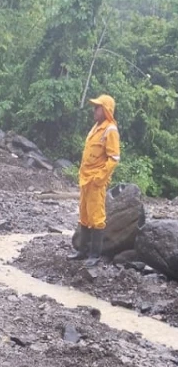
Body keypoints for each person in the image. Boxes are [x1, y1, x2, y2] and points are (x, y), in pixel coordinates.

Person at [68, 94, 121, 267]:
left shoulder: (110, 129)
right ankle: (82, 251)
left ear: (106, 110)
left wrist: (100, 178)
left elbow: (114, 158)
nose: (94, 110)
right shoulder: (95, 128)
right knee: (84, 214)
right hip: (85, 179)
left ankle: (95, 255)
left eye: (97, 107)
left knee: (97, 217)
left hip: (96, 181)